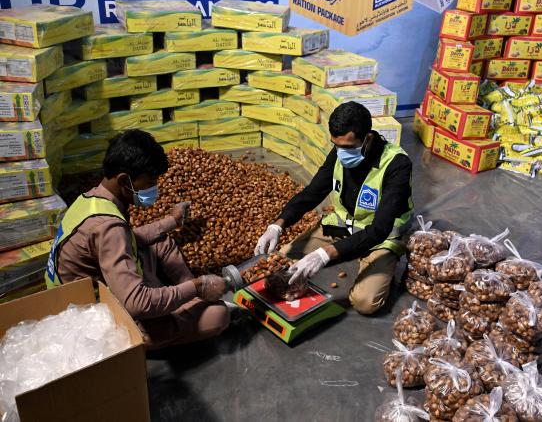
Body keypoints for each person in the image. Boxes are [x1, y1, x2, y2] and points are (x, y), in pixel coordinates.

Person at [45, 130, 229, 349]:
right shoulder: (108, 227)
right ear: (124, 180)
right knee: (219, 315)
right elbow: (136, 303)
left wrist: (171, 221)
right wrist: (198, 286)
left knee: (160, 240)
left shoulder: (92, 198)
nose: (155, 189)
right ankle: (191, 300)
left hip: (98, 283)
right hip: (92, 319)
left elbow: (130, 238)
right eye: (149, 182)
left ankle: (190, 296)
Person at [255, 102, 414, 315]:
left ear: (367, 139)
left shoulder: (397, 165)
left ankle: (380, 265)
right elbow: (313, 192)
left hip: (379, 238)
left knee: (365, 302)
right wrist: (277, 225)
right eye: (336, 145)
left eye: (348, 147)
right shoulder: (340, 151)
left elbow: (380, 229)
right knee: (283, 261)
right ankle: (340, 252)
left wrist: (325, 254)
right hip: (340, 228)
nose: (341, 153)